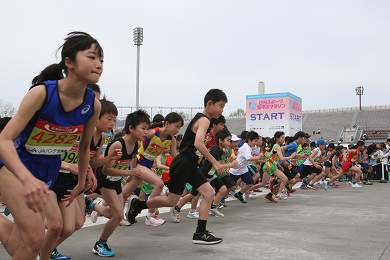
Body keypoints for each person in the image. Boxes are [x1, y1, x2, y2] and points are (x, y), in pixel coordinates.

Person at [0, 31, 102, 259]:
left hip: (48, 169)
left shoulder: (92, 105)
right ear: (69, 62)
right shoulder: (42, 93)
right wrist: (26, 179)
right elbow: (4, 139)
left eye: (101, 60)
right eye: (92, 57)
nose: (99, 65)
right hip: (15, 166)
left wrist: (81, 179)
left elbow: (85, 147)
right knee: (35, 237)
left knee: (26, 241)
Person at [126, 89, 227, 245]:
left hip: (189, 164)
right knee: (171, 201)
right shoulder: (204, 120)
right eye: (220, 105)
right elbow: (198, 143)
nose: (222, 110)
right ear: (209, 103)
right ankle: (139, 204)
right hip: (184, 163)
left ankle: (200, 233)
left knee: (208, 193)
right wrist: (214, 162)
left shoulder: (203, 120)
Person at [92, 110, 149, 257]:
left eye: (146, 129)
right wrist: (128, 173)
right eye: (143, 128)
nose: (145, 132)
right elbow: (106, 170)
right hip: (105, 180)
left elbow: (132, 159)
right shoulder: (118, 144)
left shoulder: (136, 144)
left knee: (113, 214)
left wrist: (131, 170)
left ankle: (92, 205)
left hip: (116, 181)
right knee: (117, 216)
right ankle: (100, 244)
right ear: (131, 128)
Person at [121, 112, 182, 226]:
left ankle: (101, 205)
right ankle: (150, 216)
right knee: (159, 183)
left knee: (125, 192)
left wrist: (183, 167)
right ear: (167, 124)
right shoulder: (153, 132)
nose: (178, 130)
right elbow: (136, 138)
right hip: (138, 161)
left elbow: (175, 158)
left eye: (180, 127)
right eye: (176, 126)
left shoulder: (172, 139)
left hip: (148, 165)